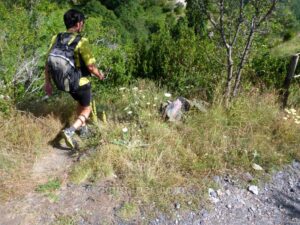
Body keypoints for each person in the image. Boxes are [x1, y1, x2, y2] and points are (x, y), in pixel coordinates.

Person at [44, 9, 105, 148]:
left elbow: (47, 62)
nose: (82, 25)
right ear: (78, 24)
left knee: (80, 103)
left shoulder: (56, 38)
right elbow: (90, 67)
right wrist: (100, 75)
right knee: (87, 109)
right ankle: (70, 131)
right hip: (80, 83)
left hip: (64, 83)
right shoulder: (81, 41)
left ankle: (82, 130)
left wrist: (47, 82)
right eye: (82, 22)